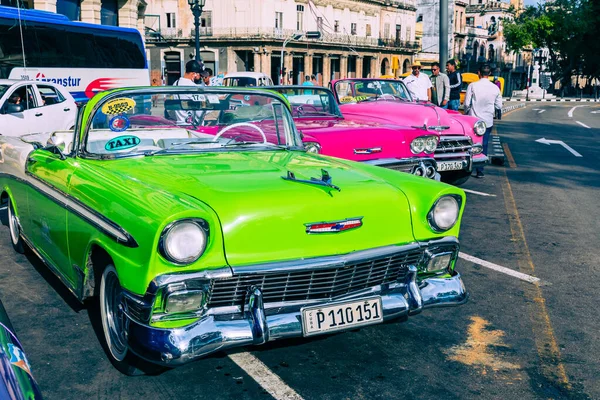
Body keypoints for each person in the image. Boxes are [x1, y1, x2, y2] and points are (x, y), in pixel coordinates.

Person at [464, 63, 502, 178]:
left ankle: (468, 167)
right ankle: (480, 170)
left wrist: (467, 113)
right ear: (489, 74)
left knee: (470, 143)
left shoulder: (472, 86)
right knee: (484, 144)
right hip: (487, 121)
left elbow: (466, 103)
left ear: (478, 73)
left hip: (473, 120)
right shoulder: (495, 88)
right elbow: (499, 106)